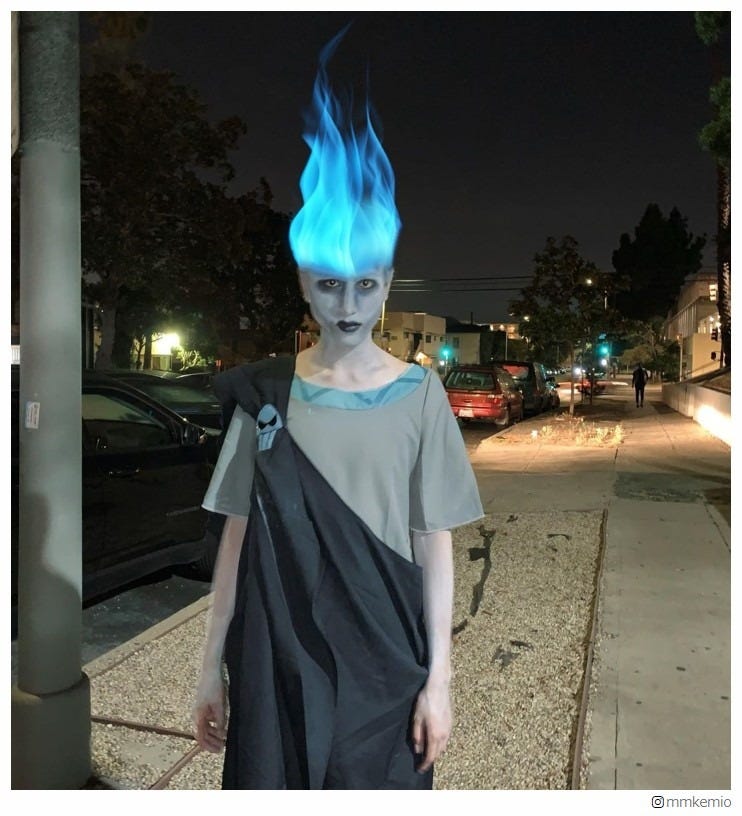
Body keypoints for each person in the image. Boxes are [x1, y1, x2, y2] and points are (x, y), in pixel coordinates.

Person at [192, 31, 484, 790]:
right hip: (275, 663)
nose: (347, 305)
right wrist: (209, 666)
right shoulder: (265, 396)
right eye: (328, 284)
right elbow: (235, 542)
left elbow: (434, 545)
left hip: (387, 669)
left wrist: (440, 681)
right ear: (304, 283)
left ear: (386, 283)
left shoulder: (421, 395)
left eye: (364, 285)